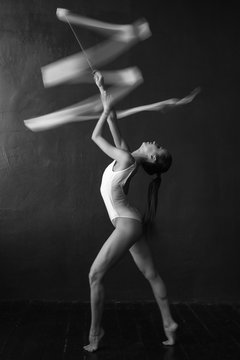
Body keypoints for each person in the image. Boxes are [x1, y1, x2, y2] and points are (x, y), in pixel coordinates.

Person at [83, 71, 178, 352]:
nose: (153, 141)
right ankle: (169, 324)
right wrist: (101, 90)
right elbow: (111, 119)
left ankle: (95, 333)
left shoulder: (125, 158)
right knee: (151, 274)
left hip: (127, 224)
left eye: (156, 147)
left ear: (152, 157)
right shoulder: (126, 154)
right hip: (130, 221)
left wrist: (107, 111)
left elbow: (95, 135)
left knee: (94, 275)